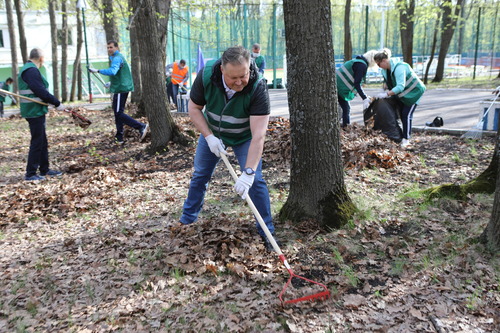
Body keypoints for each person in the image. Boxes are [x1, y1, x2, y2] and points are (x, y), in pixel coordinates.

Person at [179, 46, 277, 251]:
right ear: (222, 70)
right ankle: (187, 220)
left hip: (245, 138)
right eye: (234, 78)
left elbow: (259, 135)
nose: (240, 82)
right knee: (200, 175)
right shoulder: (207, 76)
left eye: (244, 75)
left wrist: (248, 172)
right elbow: (194, 108)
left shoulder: (258, 87)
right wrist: (209, 137)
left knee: (256, 181)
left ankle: (267, 231)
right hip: (214, 133)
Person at [88, 40, 148, 144]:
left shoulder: (117, 58)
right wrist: (111, 83)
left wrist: (97, 70)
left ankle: (141, 126)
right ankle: (119, 138)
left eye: (111, 47)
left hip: (121, 89)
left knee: (119, 113)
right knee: (117, 113)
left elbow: (113, 71)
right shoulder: (116, 58)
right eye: (108, 48)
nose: (109, 49)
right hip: (119, 87)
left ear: (116, 47)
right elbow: (119, 74)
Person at [19, 48, 64, 181]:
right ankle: (30, 173)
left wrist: (49, 102)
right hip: (34, 110)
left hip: (35, 109)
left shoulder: (28, 69)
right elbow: (39, 90)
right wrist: (56, 103)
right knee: (37, 141)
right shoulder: (31, 70)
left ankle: (44, 169)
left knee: (42, 140)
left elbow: (38, 91)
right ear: (41, 59)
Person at [374, 48, 426, 147]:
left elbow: (400, 86)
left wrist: (387, 94)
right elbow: (388, 82)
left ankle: (406, 139)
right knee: (401, 114)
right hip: (404, 94)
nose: (379, 66)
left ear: (384, 61)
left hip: (414, 92)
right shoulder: (386, 70)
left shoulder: (399, 68)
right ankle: (403, 136)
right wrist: (383, 90)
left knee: (406, 114)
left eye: (378, 64)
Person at [336, 50, 378, 127]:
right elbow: (357, 83)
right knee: (346, 109)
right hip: (340, 88)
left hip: (338, 86)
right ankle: (345, 127)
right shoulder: (362, 65)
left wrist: (365, 96)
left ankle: (345, 126)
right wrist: (364, 98)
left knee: (345, 108)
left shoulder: (358, 62)